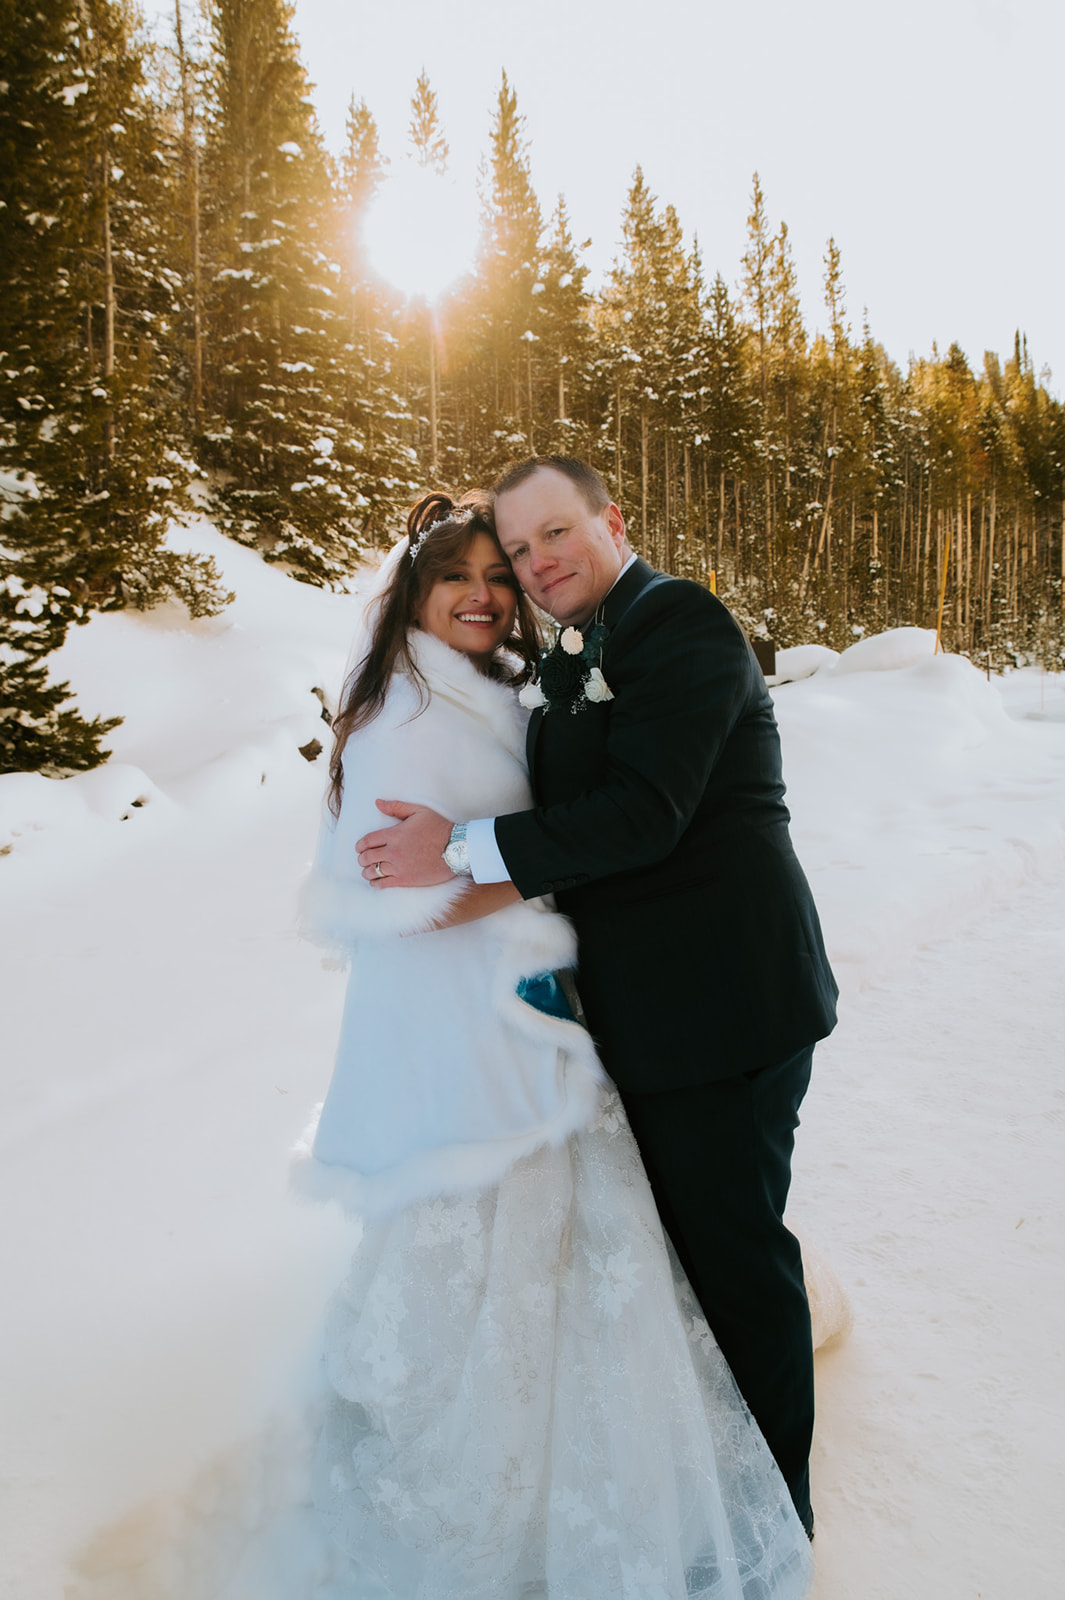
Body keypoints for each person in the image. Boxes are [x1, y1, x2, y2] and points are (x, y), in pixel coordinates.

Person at [296, 489, 814, 1598]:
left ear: (612, 520)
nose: (504, 582)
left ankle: (770, 1509)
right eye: (477, 570)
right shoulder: (417, 712)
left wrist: (475, 865)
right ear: (413, 599)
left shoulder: (668, 626)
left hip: (716, 1011)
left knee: (731, 1258)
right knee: (587, 1276)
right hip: (504, 1047)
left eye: (530, 548)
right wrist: (480, 887)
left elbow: (642, 818)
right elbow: (394, 893)